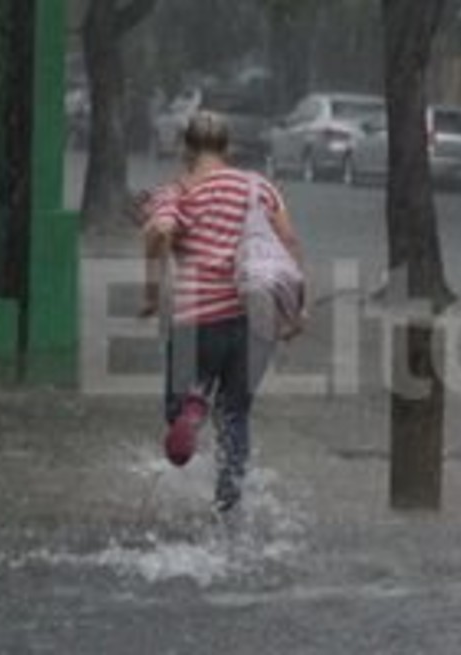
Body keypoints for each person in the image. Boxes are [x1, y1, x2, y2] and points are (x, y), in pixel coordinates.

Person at [141, 111, 305, 514]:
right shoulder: (258, 188)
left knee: (178, 407)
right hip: (257, 318)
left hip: (197, 319)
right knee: (236, 412)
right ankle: (228, 506)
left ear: (185, 148)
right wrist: (294, 313)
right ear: (228, 147)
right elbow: (289, 244)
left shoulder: (177, 192)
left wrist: (151, 292)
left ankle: (192, 406)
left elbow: (160, 231)